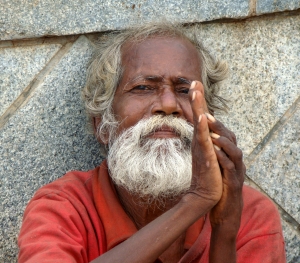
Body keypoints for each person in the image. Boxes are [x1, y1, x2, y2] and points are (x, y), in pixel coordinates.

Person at [18, 22, 286, 263]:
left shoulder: (250, 213)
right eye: (143, 88)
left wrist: (224, 234)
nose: (169, 105)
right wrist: (196, 202)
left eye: (185, 91)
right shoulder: (64, 207)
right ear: (102, 124)